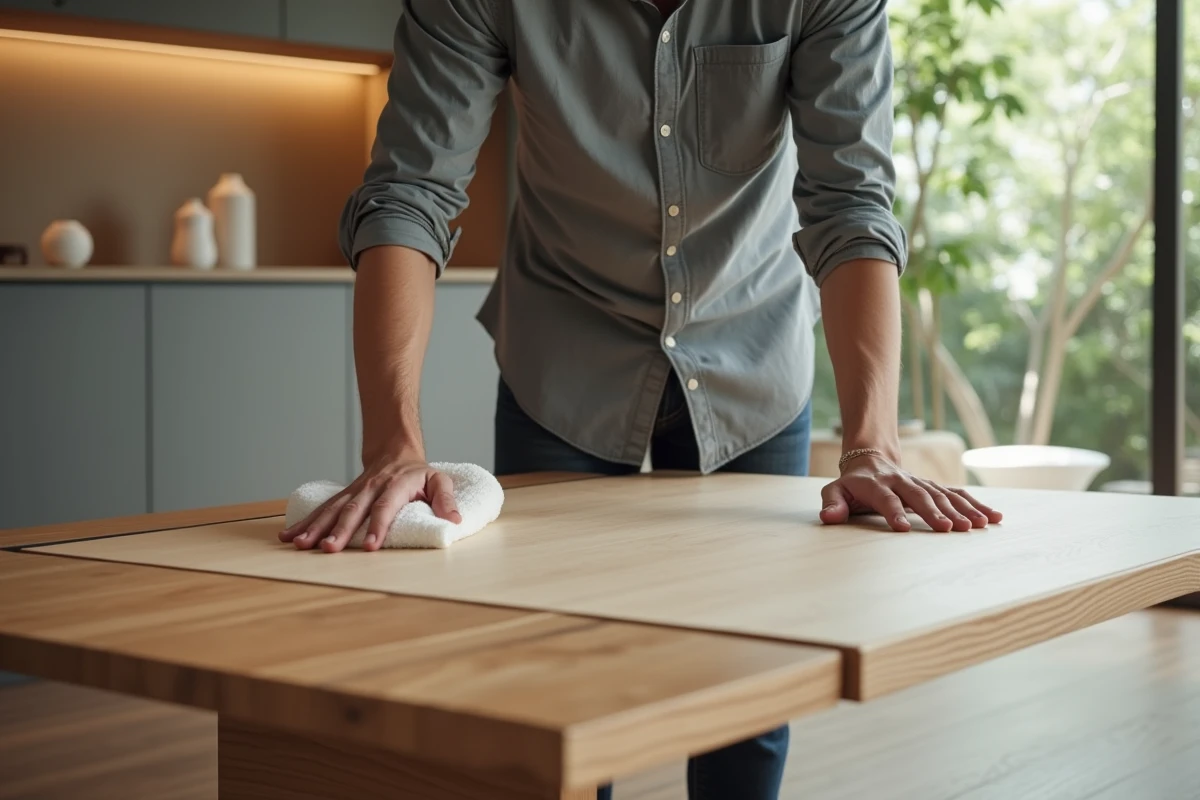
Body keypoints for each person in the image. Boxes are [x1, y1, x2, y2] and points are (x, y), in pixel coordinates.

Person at [281, 1, 1003, 797]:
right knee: (555, 677)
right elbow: (410, 192)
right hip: (564, 356)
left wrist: (873, 444)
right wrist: (394, 446)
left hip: (751, 347)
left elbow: (852, 203)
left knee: (749, 684)